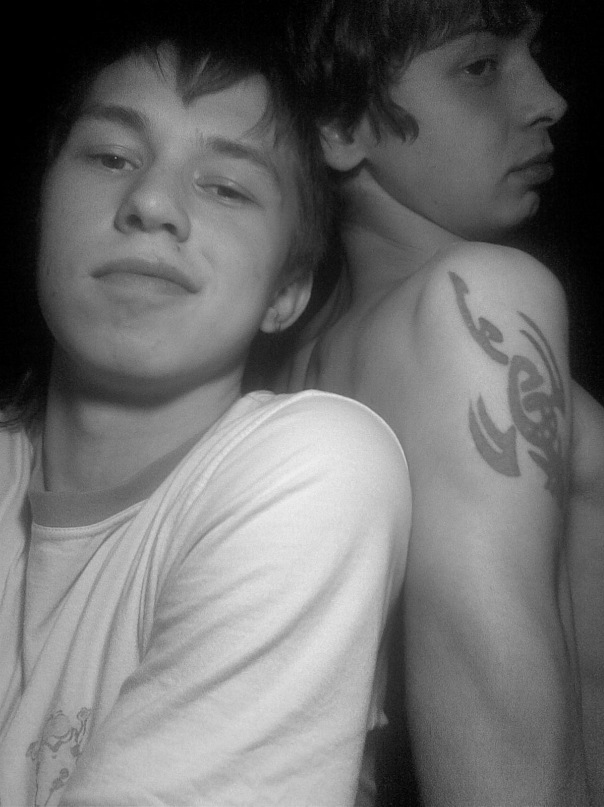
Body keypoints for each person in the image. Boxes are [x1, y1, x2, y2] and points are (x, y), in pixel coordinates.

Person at [0, 7, 411, 805]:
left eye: (224, 186)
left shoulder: (316, 467)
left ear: (286, 291)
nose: (152, 202)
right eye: (111, 156)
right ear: (43, 207)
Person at [258, 0, 604, 804]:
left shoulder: (293, 372)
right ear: (340, 126)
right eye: (480, 66)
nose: (548, 99)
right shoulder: (474, 299)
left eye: (533, 55)